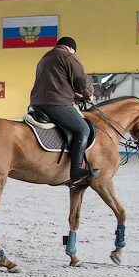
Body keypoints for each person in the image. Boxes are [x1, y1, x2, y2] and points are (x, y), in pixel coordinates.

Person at [29, 36, 97, 186]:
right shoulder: (68, 57)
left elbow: (57, 84)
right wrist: (88, 95)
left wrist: (74, 96)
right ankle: (76, 171)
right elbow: (80, 80)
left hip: (37, 103)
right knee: (83, 129)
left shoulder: (44, 58)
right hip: (56, 104)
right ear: (71, 48)